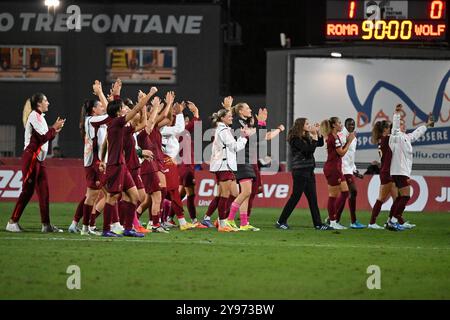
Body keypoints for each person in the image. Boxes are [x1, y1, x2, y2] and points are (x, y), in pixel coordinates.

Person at [100, 86, 157, 237]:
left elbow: (139, 121)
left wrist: (101, 159)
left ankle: (127, 228)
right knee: (112, 198)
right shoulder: (116, 123)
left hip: (122, 166)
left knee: (135, 196)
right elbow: (136, 109)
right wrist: (150, 94)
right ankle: (106, 230)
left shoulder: (119, 127)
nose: (126, 109)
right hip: (116, 166)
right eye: (123, 107)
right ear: (118, 112)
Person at [6, 93, 65, 232]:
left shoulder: (40, 118)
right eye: (46, 100)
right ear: (39, 104)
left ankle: (46, 225)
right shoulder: (34, 116)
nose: (48, 103)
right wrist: (54, 128)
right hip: (32, 157)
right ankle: (12, 222)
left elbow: (45, 137)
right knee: (27, 191)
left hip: (40, 159)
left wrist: (54, 130)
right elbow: (43, 137)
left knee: (44, 192)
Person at [276, 118, 333, 230]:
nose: (309, 125)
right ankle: (281, 221)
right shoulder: (295, 139)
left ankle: (318, 224)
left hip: (309, 171)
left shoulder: (306, 136)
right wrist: (314, 137)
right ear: (301, 125)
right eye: (307, 123)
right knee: (295, 197)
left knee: (312, 199)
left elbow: (320, 144)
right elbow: (308, 150)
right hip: (300, 172)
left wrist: (317, 133)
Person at [388, 104, 434, 229]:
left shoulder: (406, 137)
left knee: (400, 197)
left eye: (403, 123)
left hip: (401, 171)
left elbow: (416, 133)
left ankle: (392, 220)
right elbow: (395, 127)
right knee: (406, 196)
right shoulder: (395, 136)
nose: (404, 125)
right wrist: (397, 114)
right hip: (399, 171)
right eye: (402, 124)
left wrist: (427, 125)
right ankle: (394, 220)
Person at [209, 108, 250, 232]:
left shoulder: (222, 129)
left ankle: (223, 220)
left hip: (226, 166)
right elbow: (235, 147)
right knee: (225, 195)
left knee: (235, 194)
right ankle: (222, 224)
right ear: (222, 118)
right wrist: (244, 137)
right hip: (224, 166)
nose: (232, 118)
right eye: (229, 116)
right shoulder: (224, 130)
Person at [228, 102, 259, 231]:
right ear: (240, 111)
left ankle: (244, 223)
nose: (250, 110)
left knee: (245, 193)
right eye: (247, 108)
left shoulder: (245, 124)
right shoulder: (236, 122)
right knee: (247, 192)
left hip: (245, 158)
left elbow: (255, 138)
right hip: (239, 159)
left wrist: (256, 127)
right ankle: (229, 220)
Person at [320, 117, 355, 230]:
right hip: (333, 169)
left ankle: (333, 219)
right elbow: (341, 153)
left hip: (337, 168)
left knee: (345, 193)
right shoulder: (333, 137)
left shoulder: (335, 137)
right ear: (334, 125)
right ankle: (333, 221)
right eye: (339, 123)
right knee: (333, 196)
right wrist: (349, 142)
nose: (341, 125)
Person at [335, 118, 366, 229]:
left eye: (353, 124)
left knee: (348, 194)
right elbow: (341, 153)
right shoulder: (341, 135)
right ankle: (335, 219)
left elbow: (351, 157)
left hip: (349, 169)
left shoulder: (354, 138)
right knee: (352, 192)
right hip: (342, 169)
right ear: (345, 124)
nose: (352, 126)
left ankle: (338, 219)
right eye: (349, 124)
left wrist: (355, 170)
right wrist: (349, 140)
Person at [368, 120, 397, 230]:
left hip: (388, 171)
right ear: (385, 129)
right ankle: (372, 222)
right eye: (388, 127)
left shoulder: (383, 140)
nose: (390, 129)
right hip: (386, 172)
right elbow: (395, 133)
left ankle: (390, 221)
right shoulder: (386, 139)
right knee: (381, 198)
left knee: (397, 198)